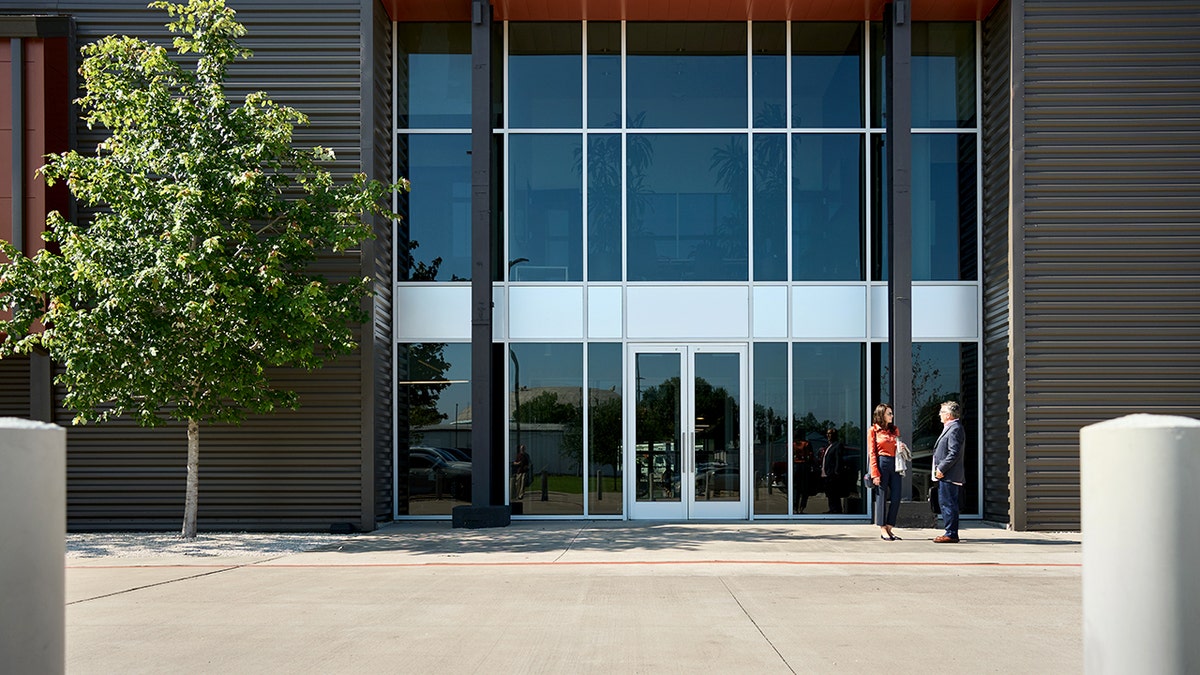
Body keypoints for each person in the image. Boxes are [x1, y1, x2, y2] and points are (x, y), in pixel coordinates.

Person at [932, 401, 966, 543]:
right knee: (946, 503)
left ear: (949, 415)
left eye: (942, 412)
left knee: (948, 504)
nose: (939, 415)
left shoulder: (955, 429)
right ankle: (950, 532)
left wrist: (941, 468)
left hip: (949, 475)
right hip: (947, 475)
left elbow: (954, 453)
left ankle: (951, 534)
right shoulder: (950, 428)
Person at [868, 403, 903, 540]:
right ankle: (882, 527)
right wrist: (875, 473)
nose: (892, 416)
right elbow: (872, 452)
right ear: (881, 415)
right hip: (882, 462)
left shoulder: (894, 430)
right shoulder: (873, 430)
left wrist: (900, 446)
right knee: (881, 496)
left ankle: (889, 526)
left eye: (891, 413)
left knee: (896, 496)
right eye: (889, 413)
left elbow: (897, 446)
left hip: (895, 463)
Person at [820, 428, 843, 514]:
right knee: (830, 493)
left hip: (832, 473)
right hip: (826, 473)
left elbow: (838, 459)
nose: (828, 435)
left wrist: (836, 471)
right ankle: (832, 509)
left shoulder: (837, 445)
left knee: (834, 493)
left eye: (830, 434)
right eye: (827, 433)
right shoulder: (828, 446)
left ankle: (836, 510)